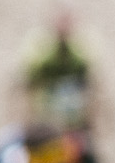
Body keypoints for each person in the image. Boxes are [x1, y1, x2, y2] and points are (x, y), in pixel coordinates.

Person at [22, 9, 97, 140]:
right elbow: (31, 87)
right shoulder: (45, 60)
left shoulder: (78, 59)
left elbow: (88, 88)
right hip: (49, 122)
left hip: (73, 122)